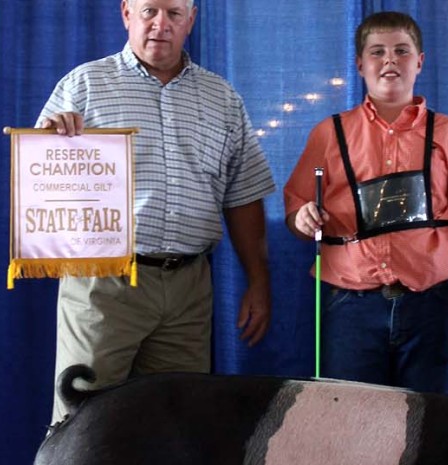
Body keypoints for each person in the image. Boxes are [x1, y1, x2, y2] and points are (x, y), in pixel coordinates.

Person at [36, 0, 276, 424]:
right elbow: (40, 176)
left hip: (188, 289)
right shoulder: (85, 85)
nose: (160, 24)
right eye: (149, 11)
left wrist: (258, 281)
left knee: (176, 425)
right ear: (127, 13)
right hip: (103, 285)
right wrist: (52, 141)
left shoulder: (223, 99)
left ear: (191, 19)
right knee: (83, 422)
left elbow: (243, 195)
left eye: (174, 13)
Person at [284, 11, 448, 395]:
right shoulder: (328, 134)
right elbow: (296, 208)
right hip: (350, 308)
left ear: (420, 61)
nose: (389, 61)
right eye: (377, 52)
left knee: (427, 424)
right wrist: (301, 218)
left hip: (430, 307)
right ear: (360, 64)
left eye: (401, 51)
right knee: (349, 420)